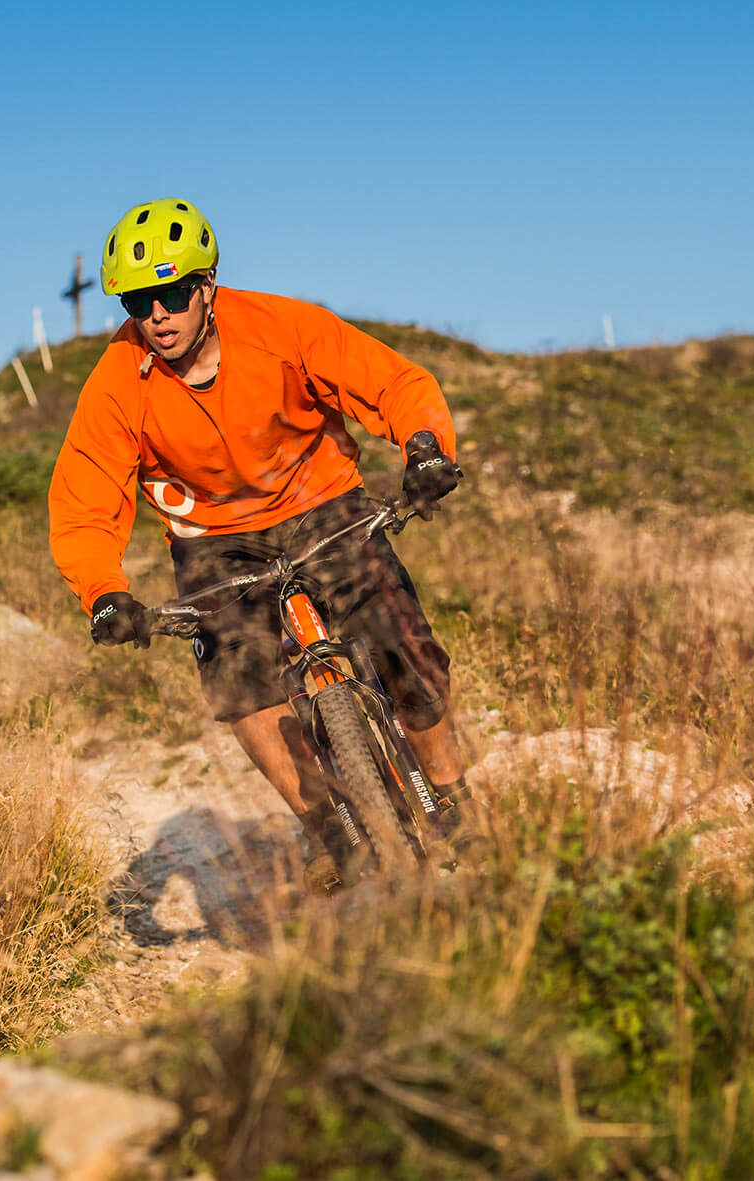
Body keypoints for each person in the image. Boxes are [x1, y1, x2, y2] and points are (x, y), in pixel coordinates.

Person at [48, 198, 468, 884]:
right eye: (138, 300)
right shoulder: (120, 379)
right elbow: (84, 499)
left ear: (207, 287)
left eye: (173, 293)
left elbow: (392, 383)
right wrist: (105, 592)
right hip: (213, 538)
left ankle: (452, 796)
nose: (156, 314)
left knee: (405, 647)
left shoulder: (282, 326)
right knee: (242, 682)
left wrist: (424, 449)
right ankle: (328, 831)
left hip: (321, 502)